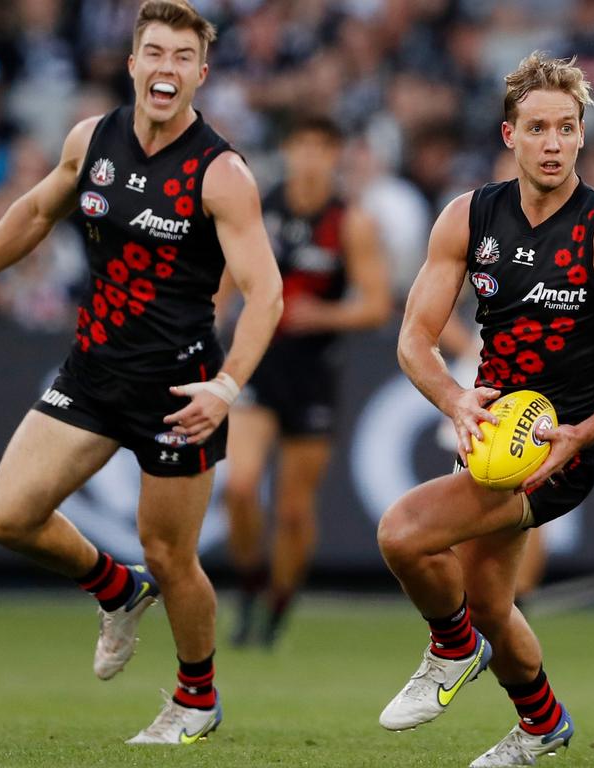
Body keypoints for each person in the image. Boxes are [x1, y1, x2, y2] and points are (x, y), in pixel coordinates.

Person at [0, 0, 282, 745]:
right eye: (153, 53)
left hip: (176, 391)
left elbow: (267, 293)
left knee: (172, 553)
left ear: (200, 72)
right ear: (133, 63)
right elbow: (36, 211)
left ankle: (197, 700)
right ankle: (116, 589)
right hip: (92, 371)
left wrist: (226, 387)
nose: (166, 68)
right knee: (8, 517)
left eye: (181, 57)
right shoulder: (90, 139)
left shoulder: (221, 172)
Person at [376, 52, 594, 767]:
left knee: (402, 534)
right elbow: (414, 339)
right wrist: (454, 397)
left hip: (560, 450)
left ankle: (450, 650)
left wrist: (588, 429)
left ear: (583, 135)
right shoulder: (469, 217)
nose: (553, 143)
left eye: (567, 128)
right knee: (492, 601)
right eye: (538, 128)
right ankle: (541, 724)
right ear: (509, 135)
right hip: (491, 435)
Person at [222, 115, 391, 647]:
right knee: (241, 485)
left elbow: (377, 305)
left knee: (295, 508)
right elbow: (228, 274)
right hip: (258, 362)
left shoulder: (350, 223)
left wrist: (321, 315)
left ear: (335, 155)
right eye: (301, 146)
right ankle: (250, 582)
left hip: (314, 373)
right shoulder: (258, 207)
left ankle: (279, 602)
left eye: (321, 147)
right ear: (288, 151)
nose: (310, 158)